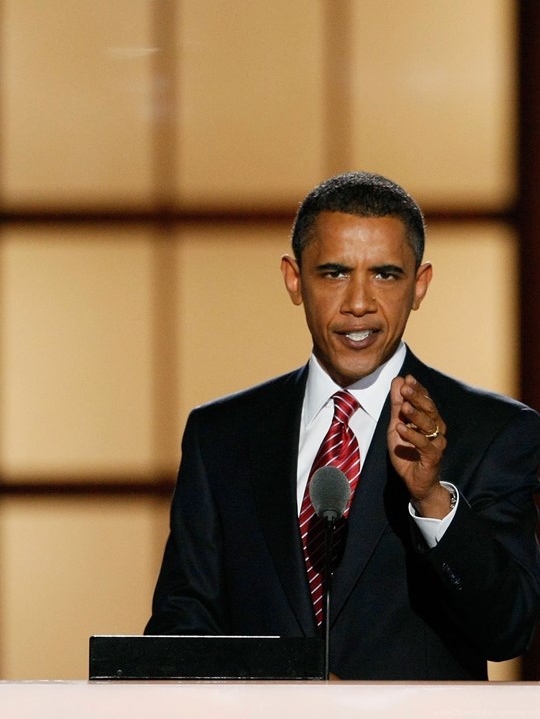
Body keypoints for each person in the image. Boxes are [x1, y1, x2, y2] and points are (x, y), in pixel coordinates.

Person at [145, 171, 540, 680]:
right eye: (334, 273)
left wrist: (433, 500)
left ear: (419, 285)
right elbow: (180, 632)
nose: (358, 303)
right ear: (294, 279)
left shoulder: (494, 433)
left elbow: (508, 630)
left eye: (385, 275)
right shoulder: (220, 436)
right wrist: (285, 684)